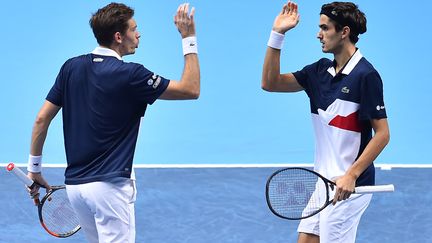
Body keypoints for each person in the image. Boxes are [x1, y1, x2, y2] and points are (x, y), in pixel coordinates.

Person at [26, 2, 200, 242]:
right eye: (134, 29)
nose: (138, 34)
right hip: (110, 189)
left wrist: (34, 169)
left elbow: (41, 119)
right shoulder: (132, 75)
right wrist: (188, 37)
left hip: (77, 189)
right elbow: (191, 89)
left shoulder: (70, 67)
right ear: (119, 36)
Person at [262, 1, 390, 242]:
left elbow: (382, 134)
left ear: (344, 32)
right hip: (323, 182)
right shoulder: (318, 72)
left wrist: (351, 175)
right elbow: (270, 83)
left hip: (350, 186)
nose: (318, 34)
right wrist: (277, 34)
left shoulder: (366, 75)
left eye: (325, 28)